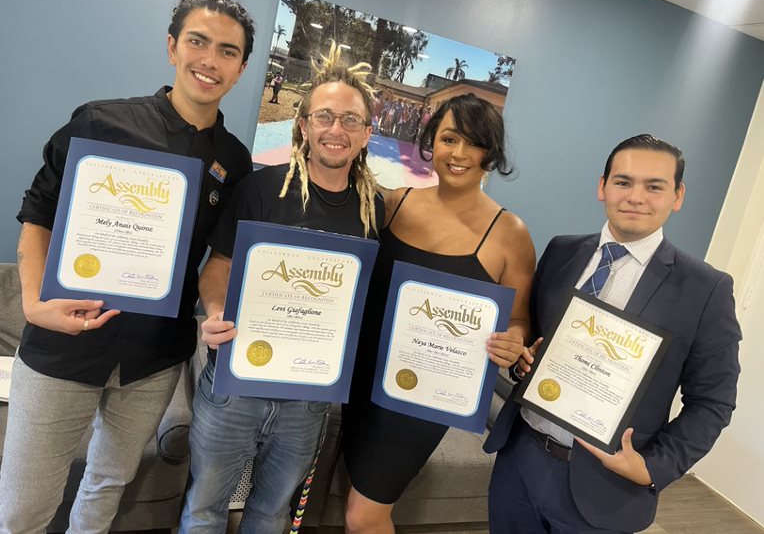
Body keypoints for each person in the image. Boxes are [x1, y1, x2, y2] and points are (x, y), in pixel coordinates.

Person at [0, 0, 255, 533]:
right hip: (64, 344)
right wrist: (33, 302)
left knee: (106, 486)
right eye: (197, 41)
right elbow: (38, 212)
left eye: (228, 51)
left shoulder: (234, 162)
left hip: (153, 359)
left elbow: (220, 258)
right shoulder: (101, 122)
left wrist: (215, 310)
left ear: (240, 69)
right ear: (172, 46)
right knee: (22, 508)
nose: (210, 61)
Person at [484, 134, 742, 533]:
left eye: (654, 187)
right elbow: (533, 343)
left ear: (677, 196)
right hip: (520, 459)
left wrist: (653, 466)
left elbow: (713, 401)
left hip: (605, 489)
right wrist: (523, 359)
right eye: (623, 182)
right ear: (603, 186)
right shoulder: (561, 251)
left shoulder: (706, 289)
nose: (636, 197)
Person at [180, 43, 384, 533]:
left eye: (350, 120)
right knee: (204, 509)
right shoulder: (259, 188)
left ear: (366, 133)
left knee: (272, 513)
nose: (336, 129)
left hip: (308, 400)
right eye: (325, 116)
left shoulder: (375, 211)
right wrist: (215, 311)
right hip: (235, 385)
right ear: (304, 125)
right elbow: (218, 266)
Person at [341, 94, 537, 534]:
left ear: (491, 153)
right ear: (432, 143)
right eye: (449, 139)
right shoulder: (394, 203)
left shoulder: (510, 234)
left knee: (363, 516)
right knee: (356, 496)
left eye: (474, 143)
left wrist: (515, 339)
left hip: (424, 394)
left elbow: (519, 319)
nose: (459, 153)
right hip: (362, 376)